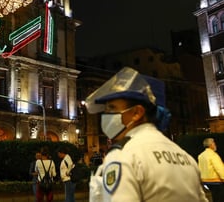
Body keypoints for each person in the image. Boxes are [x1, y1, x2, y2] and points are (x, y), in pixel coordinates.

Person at [85, 66, 208, 202]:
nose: (106, 114)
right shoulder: (186, 158)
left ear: (137, 113)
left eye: (112, 108)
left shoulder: (123, 155)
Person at [198, 138, 224, 202]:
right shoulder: (213, 155)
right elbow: (219, 168)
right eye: (214, 143)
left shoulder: (201, 155)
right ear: (211, 145)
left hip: (205, 181)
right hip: (215, 181)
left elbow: (199, 168)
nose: (215, 145)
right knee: (219, 198)